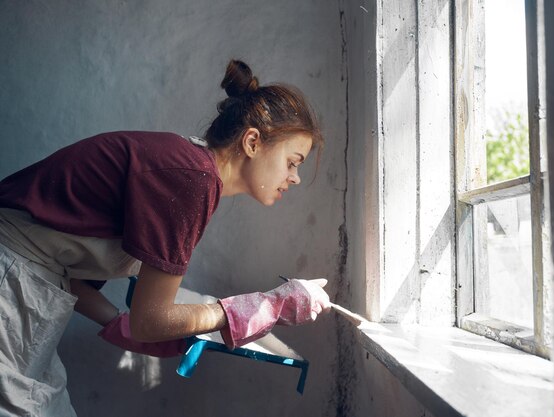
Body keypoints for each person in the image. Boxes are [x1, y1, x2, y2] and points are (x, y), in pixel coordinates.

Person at [0, 60, 332, 416]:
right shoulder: (193, 179)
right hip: (11, 281)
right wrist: (265, 307)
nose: (294, 177)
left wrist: (115, 322)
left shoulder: (192, 170)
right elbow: (151, 319)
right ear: (252, 142)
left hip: (28, 286)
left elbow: (62, 261)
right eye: (292, 161)